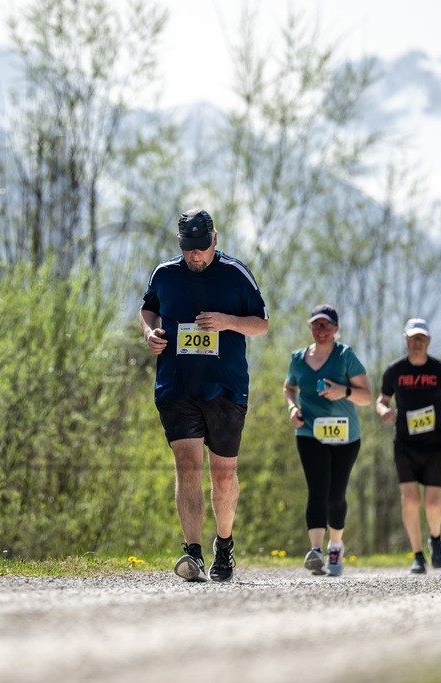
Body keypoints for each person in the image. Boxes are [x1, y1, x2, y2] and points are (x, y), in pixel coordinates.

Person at [140, 208, 269, 583]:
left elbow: (261, 324)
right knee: (187, 466)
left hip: (225, 388)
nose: (195, 256)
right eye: (188, 249)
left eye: (201, 248)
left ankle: (224, 545)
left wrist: (228, 321)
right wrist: (149, 333)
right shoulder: (165, 273)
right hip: (176, 386)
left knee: (224, 475)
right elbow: (148, 309)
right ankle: (192, 552)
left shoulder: (235, 274)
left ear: (215, 240)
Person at [283, 304, 371, 577]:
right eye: (316, 325)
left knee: (336, 495)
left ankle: (335, 546)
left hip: (346, 435)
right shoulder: (298, 359)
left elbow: (366, 397)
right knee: (317, 491)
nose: (321, 330)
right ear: (310, 327)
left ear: (335, 329)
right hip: (310, 432)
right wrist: (292, 408)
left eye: (327, 325)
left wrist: (344, 391)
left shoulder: (346, 356)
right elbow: (289, 388)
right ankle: (316, 551)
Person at [376, 318, 441, 574]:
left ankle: (435, 538)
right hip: (405, 444)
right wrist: (383, 411)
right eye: (413, 338)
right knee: (410, 500)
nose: (417, 343)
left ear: (429, 341)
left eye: (422, 338)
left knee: (433, 503)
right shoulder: (395, 371)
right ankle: (417, 555)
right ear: (405, 340)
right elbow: (381, 400)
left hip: (436, 445)